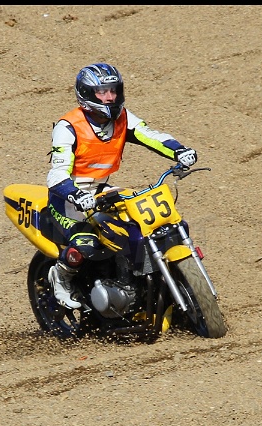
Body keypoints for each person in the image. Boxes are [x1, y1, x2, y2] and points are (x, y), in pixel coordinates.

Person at [46, 63, 199, 309]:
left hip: (101, 190)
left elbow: (150, 135)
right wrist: (75, 194)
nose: (110, 97)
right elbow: (55, 176)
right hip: (68, 198)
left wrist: (179, 151)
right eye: (102, 92)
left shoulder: (123, 117)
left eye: (113, 90)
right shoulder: (68, 127)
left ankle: (137, 279)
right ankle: (62, 277)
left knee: (141, 225)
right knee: (86, 242)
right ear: (86, 94)